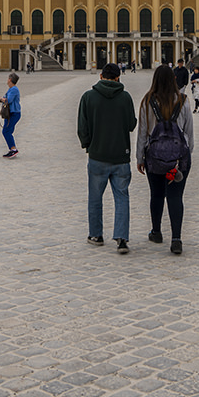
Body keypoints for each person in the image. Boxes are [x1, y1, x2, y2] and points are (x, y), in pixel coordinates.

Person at [77, 62, 137, 254]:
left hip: (97, 156)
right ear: (118, 78)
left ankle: (96, 235)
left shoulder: (88, 97)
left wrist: (89, 145)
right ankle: (121, 239)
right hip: (121, 157)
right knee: (122, 198)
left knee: (95, 198)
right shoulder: (125, 97)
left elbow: (82, 128)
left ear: (101, 76)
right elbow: (131, 124)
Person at [136, 65, 194, 255]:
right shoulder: (184, 101)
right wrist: (186, 154)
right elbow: (189, 133)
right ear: (174, 80)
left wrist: (139, 157)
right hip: (179, 159)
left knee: (157, 194)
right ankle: (176, 239)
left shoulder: (147, 101)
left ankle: (157, 231)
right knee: (176, 196)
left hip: (154, 157)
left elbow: (143, 133)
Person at [0, 73, 22, 158]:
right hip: (9, 113)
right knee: (8, 131)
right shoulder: (10, 89)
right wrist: (1, 99)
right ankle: (12, 149)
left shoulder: (14, 89)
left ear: (10, 79)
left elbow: (9, 100)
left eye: (8, 79)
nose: (7, 80)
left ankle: (13, 149)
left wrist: (1, 98)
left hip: (14, 113)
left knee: (6, 131)